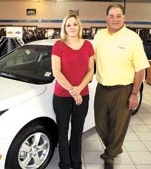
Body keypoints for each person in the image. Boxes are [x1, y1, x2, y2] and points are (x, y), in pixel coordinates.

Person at [92, 4, 150, 169]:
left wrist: (134, 94)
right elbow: (88, 56)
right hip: (102, 88)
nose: (115, 19)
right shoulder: (99, 36)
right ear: (106, 18)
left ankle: (110, 156)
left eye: (118, 16)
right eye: (111, 16)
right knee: (100, 124)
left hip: (123, 89)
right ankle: (114, 148)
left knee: (118, 126)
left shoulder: (132, 38)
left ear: (124, 18)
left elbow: (140, 68)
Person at [51, 14, 94, 169]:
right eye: (68, 25)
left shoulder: (88, 45)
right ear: (64, 28)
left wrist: (79, 89)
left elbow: (91, 71)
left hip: (83, 95)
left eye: (74, 24)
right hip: (62, 96)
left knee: (77, 130)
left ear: (79, 26)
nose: (72, 27)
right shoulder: (58, 45)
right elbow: (56, 72)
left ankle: (76, 163)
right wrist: (73, 91)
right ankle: (64, 163)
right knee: (62, 132)